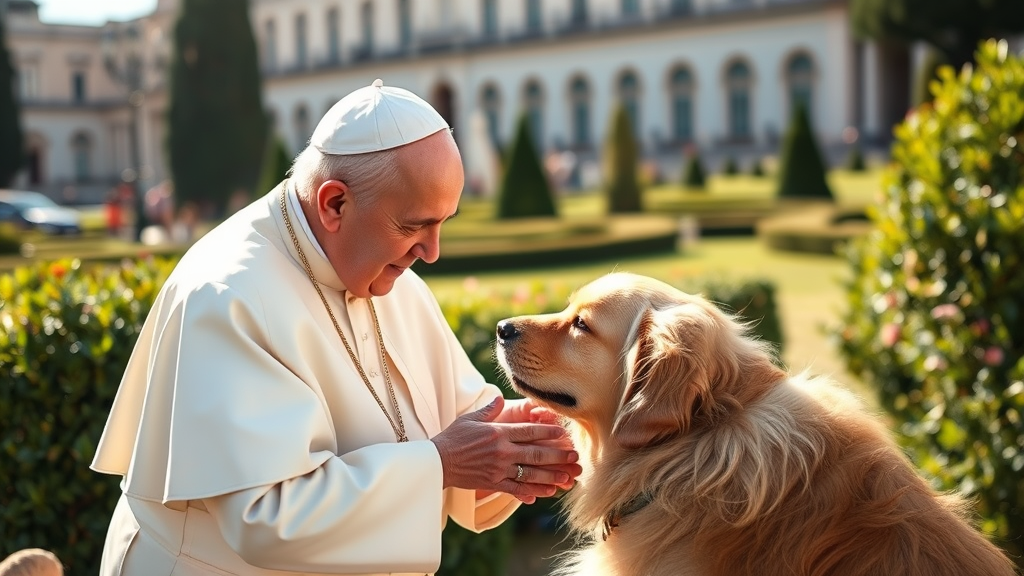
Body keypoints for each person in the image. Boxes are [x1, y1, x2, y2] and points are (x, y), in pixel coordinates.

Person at [90, 79, 581, 576]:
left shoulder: (393, 278)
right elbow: (267, 518)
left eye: (443, 224)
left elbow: (459, 429)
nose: (432, 253)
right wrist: (441, 464)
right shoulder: (228, 294)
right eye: (414, 226)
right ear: (334, 205)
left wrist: (509, 439)